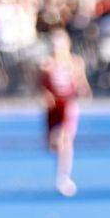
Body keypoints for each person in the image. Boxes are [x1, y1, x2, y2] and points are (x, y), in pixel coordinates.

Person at [40, 29, 90, 197]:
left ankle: (63, 178)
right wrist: (45, 96)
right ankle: (61, 168)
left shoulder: (75, 62)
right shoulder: (47, 65)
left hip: (68, 106)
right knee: (53, 144)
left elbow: (81, 83)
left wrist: (84, 91)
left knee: (65, 140)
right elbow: (41, 86)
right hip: (53, 107)